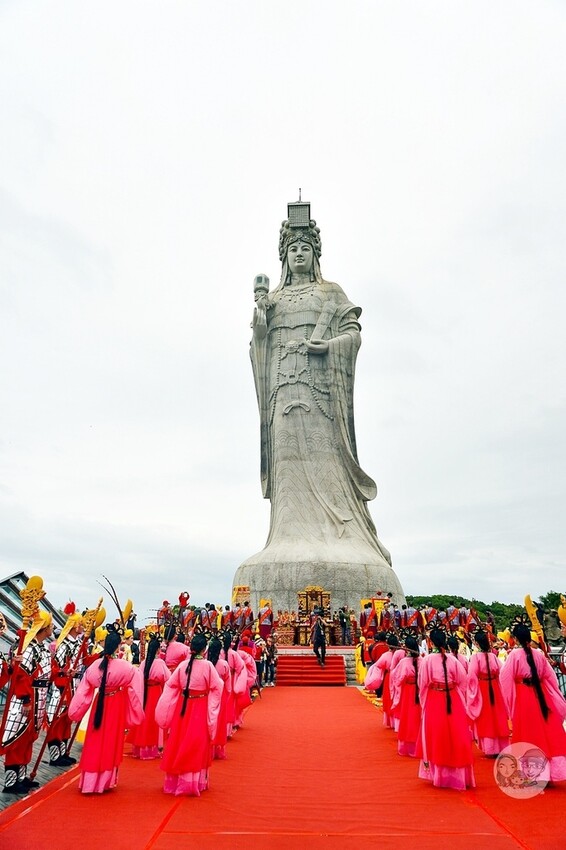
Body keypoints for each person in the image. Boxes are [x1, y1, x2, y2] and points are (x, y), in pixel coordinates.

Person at [247, 205, 393, 579]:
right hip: (282, 394)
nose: (299, 254)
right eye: (292, 249)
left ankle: (343, 535)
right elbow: (258, 348)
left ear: (314, 253)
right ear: (284, 256)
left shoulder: (330, 293)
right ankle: (286, 538)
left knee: (325, 466)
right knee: (288, 470)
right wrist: (261, 325)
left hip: (320, 400)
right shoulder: (274, 300)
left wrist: (329, 347)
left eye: (305, 248)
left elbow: (353, 333)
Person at [68, 628, 144, 794]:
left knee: (94, 740)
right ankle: (104, 782)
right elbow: (135, 690)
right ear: (118, 647)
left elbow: (83, 691)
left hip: (98, 704)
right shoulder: (126, 667)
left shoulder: (95, 666)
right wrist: (136, 712)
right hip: (116, 703)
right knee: (110, 741)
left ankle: (88, 782)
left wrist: (75, 712)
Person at [155, 632, 223, 796]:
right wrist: (212, 709)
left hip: (182, 707)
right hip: (199, 706)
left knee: (179, 740)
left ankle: (175, 781)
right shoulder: (207, 666)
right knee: (196, 743)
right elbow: (217, 686)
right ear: (204, 649)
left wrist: (167, 707)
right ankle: (193, 782)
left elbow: (171, 685)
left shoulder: (182, 666)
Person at [500, 622, 566, 783]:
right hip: (542, 695)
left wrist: (510, 702)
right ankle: (552, 772)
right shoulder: (538, 654)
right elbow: (550, 677)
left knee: (528, 733)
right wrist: (554, 696)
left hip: (524, 697)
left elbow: (505, 678)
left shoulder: (514, 655)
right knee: (548, 732)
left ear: (515, 639)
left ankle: (535, 774)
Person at [416, 627, 475, 791]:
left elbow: (422, 685)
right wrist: (459, 697)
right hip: (453, 699)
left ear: (431, 642)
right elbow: (463, 682)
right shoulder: (453, 660)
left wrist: (424, 704)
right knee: (457, 736)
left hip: (435, 699)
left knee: (437, 737)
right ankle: (458, 776)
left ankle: (441, 776)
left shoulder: (427, 660)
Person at [1, 610, 53, 794]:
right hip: (27, 699)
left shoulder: (41, 648)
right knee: (18, 739)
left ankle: (21, 778)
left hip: (38, 697)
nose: (53, 628)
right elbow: (21, 676)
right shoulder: (28, 648)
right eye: (51, 625)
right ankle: (11, 782)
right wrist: (25, 699)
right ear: (44, 628)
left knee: (27, 739)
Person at [45, 610, 84, 766]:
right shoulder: (63, 644)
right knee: (57, 719)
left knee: (68, 719)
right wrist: (64, 673)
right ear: (74, 626)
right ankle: (55, 756)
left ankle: (63, 751)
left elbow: (84, 660)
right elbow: (59, 667)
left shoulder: (80, 643)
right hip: (63, 686)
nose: (82, 626)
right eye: (80, 623)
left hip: (74, 684)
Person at [466, 629, 509, 757]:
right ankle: (502, 746)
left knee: (486, 717)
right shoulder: (493, 656)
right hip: (495, 687)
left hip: (483, 687)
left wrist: (471, 693)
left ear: (477, 644)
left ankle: (490, 748)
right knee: (497, 715)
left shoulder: (475, 657)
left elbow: (472, 675)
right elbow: (502, 671)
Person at [127, 633, 170, 759]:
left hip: (144, 691)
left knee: (144, 717)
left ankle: (139, 747)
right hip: (156, 692)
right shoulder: (160, 663)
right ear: (157, 649)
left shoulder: (144, 662)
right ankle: (151, 748)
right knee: (153, 719)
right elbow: (168, 679)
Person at [390, 635, 421, 756]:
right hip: (419, 691)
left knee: (407, 717)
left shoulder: (404, 662)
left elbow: (396, 678)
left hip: (408, 691)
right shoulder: (422, 660)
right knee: (418, 717)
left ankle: (407, 746)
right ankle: (419, 745)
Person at [364, 634, 404, 728]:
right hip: (400, 677)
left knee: (389, 698)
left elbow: (377, 664)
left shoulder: (385, 655)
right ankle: (398, 721)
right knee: (399, 697)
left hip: (389, 677)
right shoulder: (402, 654)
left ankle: (391, 721)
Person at [207, 636, 231, 759]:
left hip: (206, 695)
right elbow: (228, 684)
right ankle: (217, 748)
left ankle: (207, 748)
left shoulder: (206, 664)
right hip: (220, 695)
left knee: (207, 720)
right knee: (219, 721)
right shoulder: (223, 664)